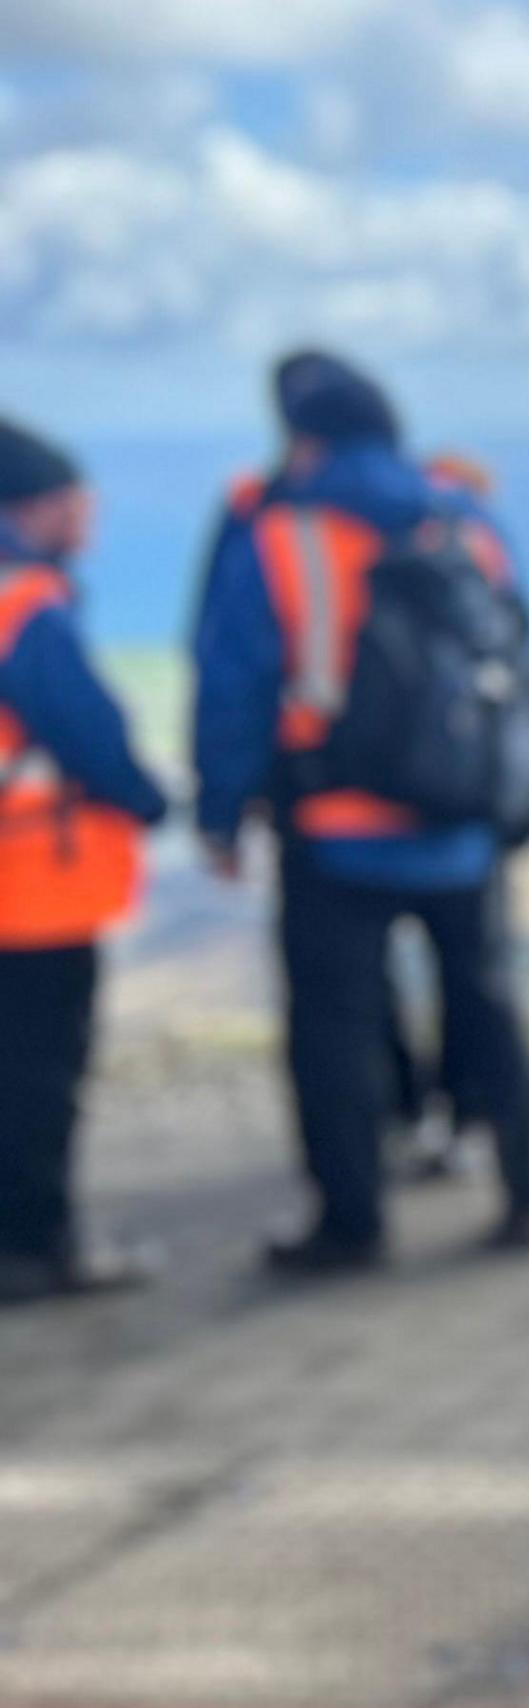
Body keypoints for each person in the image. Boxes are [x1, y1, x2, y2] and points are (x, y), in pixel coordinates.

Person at [190, 349, 529, 1272]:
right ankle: (528, 1190)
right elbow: (520, 665)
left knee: (334, 1028)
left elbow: (233, 683)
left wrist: (223, 810)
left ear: (303, 437)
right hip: (464, 825)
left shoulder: (278, 530)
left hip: (334, 828)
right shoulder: (465, 518)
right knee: (487, 1001)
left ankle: (351, 1223)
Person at [0, 415, 169, 1304]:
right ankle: (36, 1246)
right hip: (30, 889)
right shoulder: (24, 606)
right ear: (35, 506)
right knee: (36, 1076)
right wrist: (150, 801)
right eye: (76, 498)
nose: (90, 515)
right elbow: (92, 739)